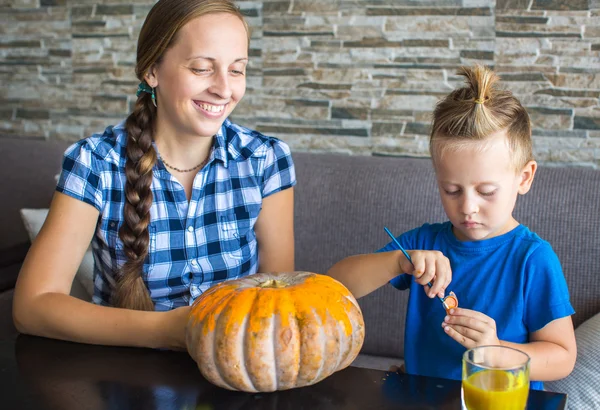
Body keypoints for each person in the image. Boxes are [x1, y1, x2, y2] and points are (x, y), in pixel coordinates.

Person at [13, 0, 295, 351]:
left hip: (236, 370)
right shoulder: (94, 162)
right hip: (127, 375)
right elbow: (31, 306)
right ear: (152, 71)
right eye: (202, 68)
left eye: (237, 70)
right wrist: (171, 330)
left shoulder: (266, 159)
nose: (224, 89)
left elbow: (278, 292)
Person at [327, 65, 576, 389]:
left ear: (524, 178)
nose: (467, 207)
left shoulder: (533, 259)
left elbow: (562, 358)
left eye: (486, 191)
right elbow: (333, 285)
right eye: (452, 190)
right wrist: (399, 261)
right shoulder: (424, 242)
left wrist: (495, 351)